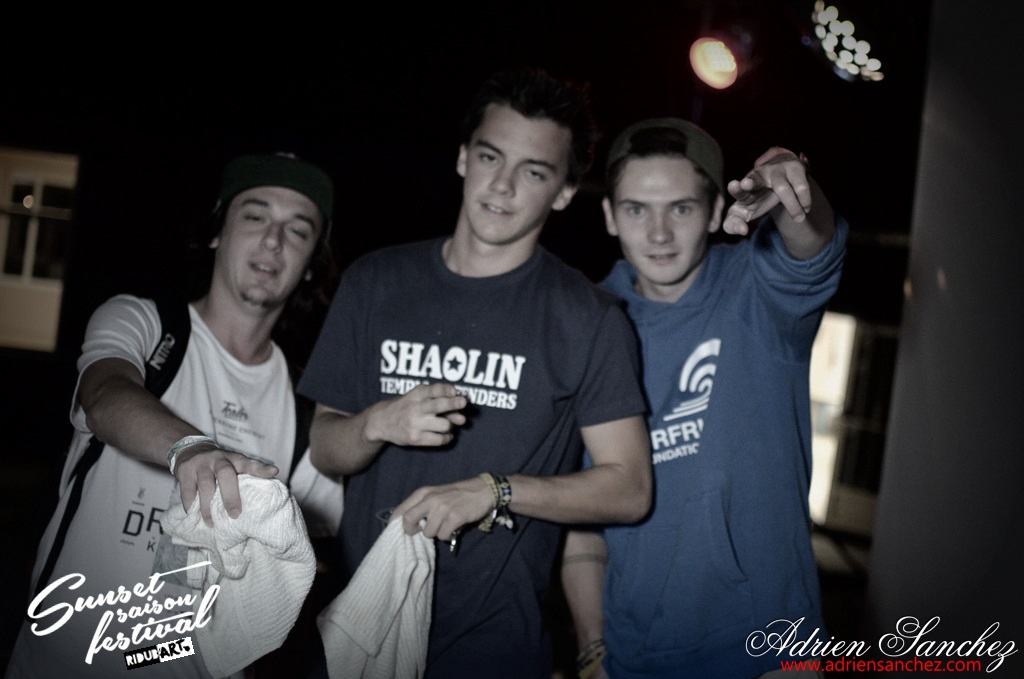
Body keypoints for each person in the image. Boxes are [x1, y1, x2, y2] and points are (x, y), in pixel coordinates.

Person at [298, 68, 653, 679]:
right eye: (491, 157)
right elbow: (326, 449)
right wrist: (378, 422)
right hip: (359, 632)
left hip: (495, 647)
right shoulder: (375, 282)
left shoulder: (589, 317)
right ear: (464, 157)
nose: (503, 185)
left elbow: (629, 489)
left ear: (565, 191)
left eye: (534, 172)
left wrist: (495, 490)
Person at [7, 152, 336, 678]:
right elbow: (104, 393)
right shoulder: (144, 322)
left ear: (312, 263)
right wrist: (191, 448)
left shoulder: (304, 405)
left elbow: (321, 538)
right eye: (255, 215)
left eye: (298, 230)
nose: (274, 240)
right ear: (217, 231)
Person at [561, 118, 847, 679]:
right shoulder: (585, 325)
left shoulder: (760, 289)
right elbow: (582, 520)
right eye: (637, 209)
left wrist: (796, 193)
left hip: (770, 653)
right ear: (609, 215)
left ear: (717, 210)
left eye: (682, 208)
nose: (659, 233)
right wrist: (593, 650)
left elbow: (812, 245)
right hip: (632, 660)